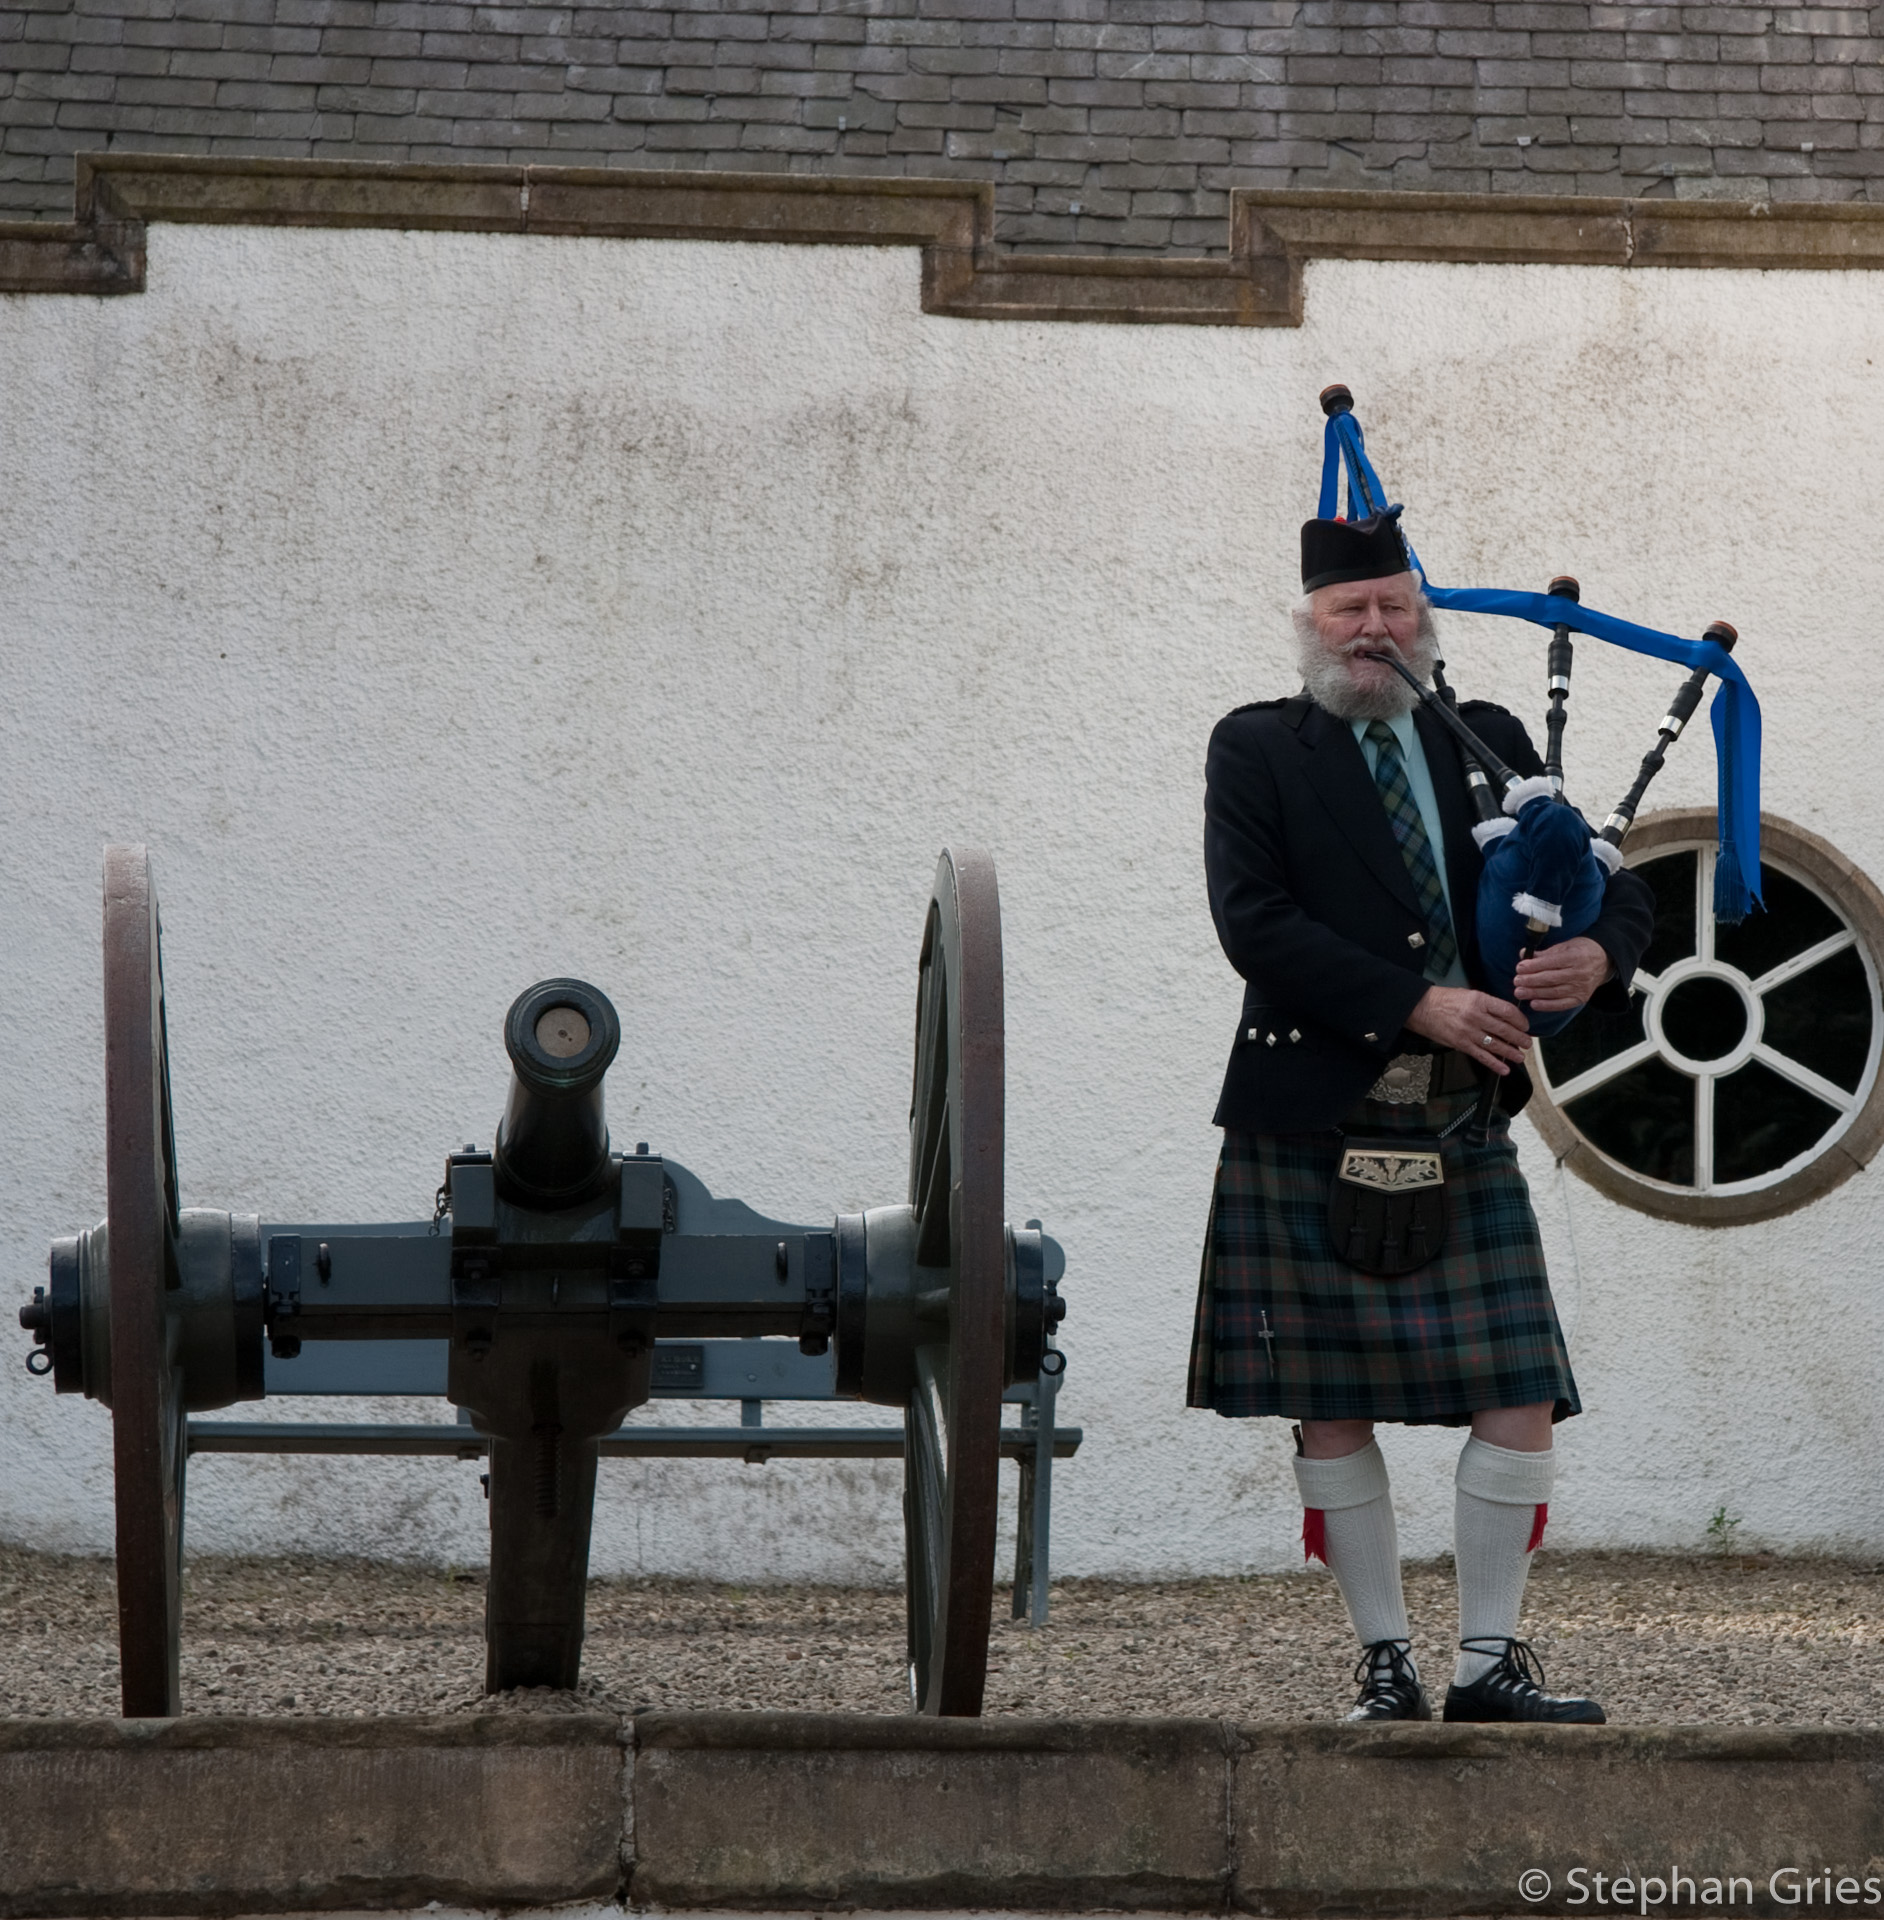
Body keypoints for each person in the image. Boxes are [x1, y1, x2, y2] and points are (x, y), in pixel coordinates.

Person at [1188, 503, 1655, 1724]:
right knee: (1329, 1402)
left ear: (1425, 621)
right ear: (1310, 625)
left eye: (1396, 607)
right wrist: (1421, 1003)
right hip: (1312, 1114)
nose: (1375, 630)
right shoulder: (1258, 750)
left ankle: (1488, 1663)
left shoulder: (1486, 736)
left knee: (1517, 1390)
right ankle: (1386, 1660)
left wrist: (1596, 957)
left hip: (1460, 1123)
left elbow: (1612, 882)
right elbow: (1257, 926)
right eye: (1351, 610)